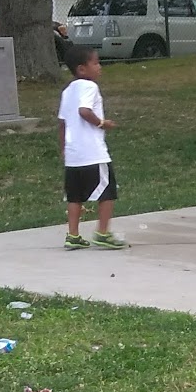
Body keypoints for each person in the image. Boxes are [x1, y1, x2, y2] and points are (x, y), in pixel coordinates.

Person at [56, 46, 127, 249]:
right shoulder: (89, 87)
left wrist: (63, 148)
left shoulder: (67, 91)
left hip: (74, 155)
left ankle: (73, 235)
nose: (99, 67)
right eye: (95, 63)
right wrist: (102, 123)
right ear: (81, 69)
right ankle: (102, 233)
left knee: (74, 196)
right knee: (107, 192)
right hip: (93, 153)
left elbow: (62, 123)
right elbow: (84, 111)